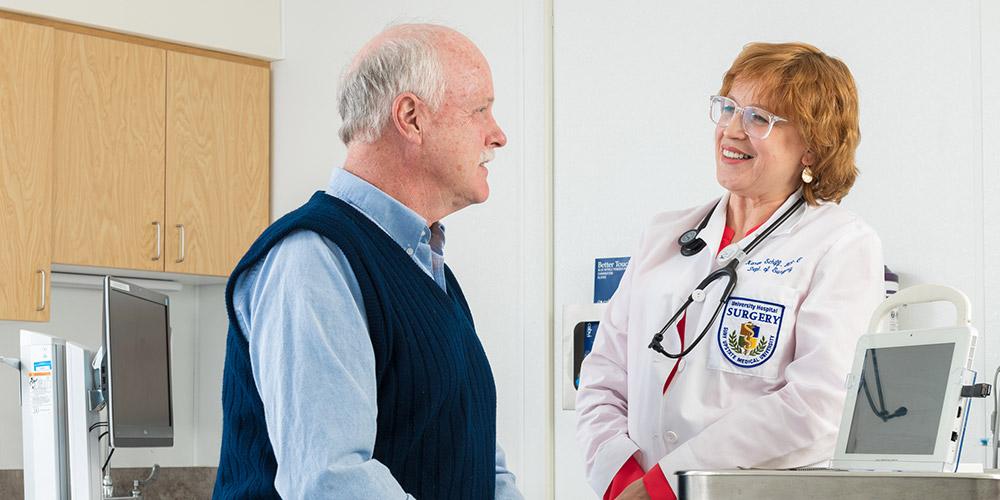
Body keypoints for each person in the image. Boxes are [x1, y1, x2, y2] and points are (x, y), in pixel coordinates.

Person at [212, 24, 522, 499]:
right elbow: (332, 482)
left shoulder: (430, 270)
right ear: (411, 118)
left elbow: (481, 465)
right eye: (480, 110)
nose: (497, 135)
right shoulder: (313, 260)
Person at [575, 42, 885, 500]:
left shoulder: (841, 244)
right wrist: (622, 479)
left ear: (812, 149)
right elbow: (603, 374)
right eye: (728, 109)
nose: (732, 131)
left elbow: (818, 406)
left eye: (760, 118)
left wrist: (671, 483)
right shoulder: (664, 235)